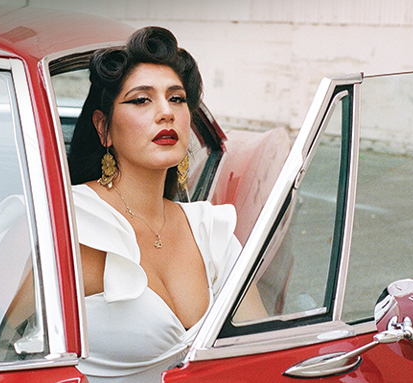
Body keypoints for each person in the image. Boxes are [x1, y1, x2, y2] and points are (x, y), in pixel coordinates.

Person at [68, 26, 265, 383]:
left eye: (176, 99)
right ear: (104, 128)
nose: (166, 113)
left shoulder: (210, 229)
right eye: (141, 100)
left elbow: (262, 351)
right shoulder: (68, 222)